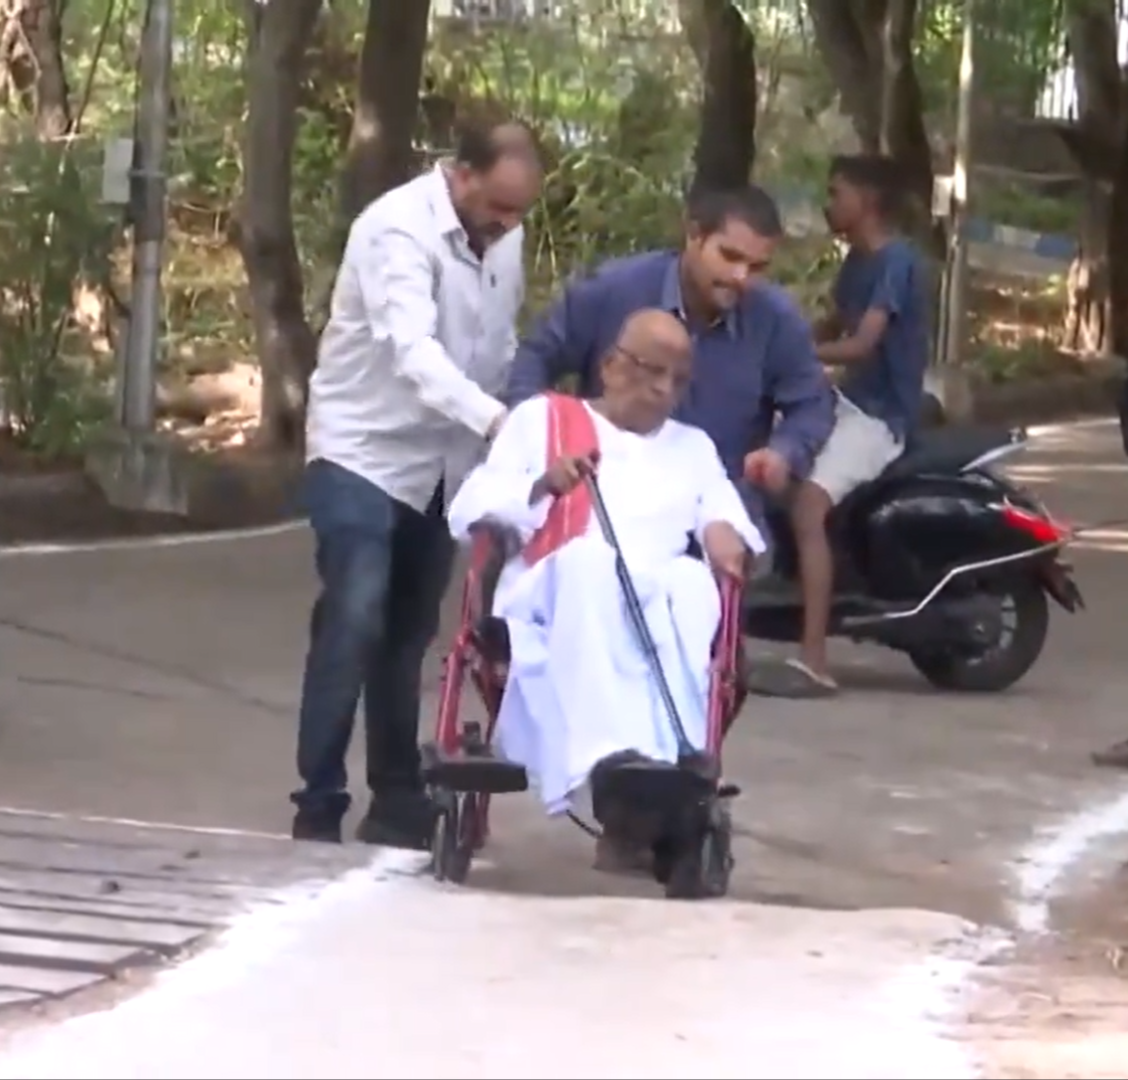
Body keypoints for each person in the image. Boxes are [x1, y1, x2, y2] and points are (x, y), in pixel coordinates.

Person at [292, 120, 543, 847]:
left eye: (520, 212)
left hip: (442, 465)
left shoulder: (505, 237)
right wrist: (499, 424)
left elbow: (498, 346)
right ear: (460, 173)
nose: (507, 224)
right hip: (361, 451)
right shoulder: (396, 231)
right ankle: (318, 800)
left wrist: (515, 424)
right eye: (498, 206)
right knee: (355, 615)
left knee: (409, 636)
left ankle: (396, 798)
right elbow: (414, 353)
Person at [448, 309, 765, 872]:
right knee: (593, 565)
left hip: (653, 601)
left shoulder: (692, 447)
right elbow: (470, 508)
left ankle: (673, 770)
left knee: (693, 583)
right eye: (651, 371)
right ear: (612, 366)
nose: (664, 390)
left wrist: (723, 532)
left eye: (678, 378)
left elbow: (723, 516)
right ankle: (608, 762)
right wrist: (544, 483)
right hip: (553, 592)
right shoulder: (543, 420)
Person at [503, 185, 835, 514]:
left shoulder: (775, 320)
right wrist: (537, 441)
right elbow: (537, 356)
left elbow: (811, 403)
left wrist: (784, 453)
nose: (741, 277)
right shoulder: (613, 291)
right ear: (693, 235)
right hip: (604, 506)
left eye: (758, 267)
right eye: (730, 256)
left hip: (718, 516)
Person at [773, 154, 930, 697]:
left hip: (879, 416)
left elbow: (861, 342)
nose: (827, 201)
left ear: (866, 200)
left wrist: (800, 350)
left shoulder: (896, 262)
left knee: (807, 506)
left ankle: (815, 659)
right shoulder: (857, 263)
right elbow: (831, 322)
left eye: (836, 192)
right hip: (847, 401)